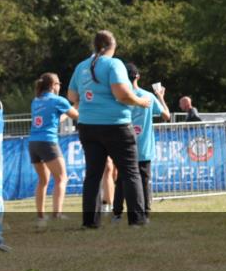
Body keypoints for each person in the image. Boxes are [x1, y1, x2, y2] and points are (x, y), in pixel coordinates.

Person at [67, 30, 152, 228]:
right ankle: (137, 220)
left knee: (93, 175)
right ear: (113, 47)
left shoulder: (81, 66)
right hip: (116, 125)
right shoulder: (115, 64)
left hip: (88, 126)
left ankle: (90, 222)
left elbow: (72, 95)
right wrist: (141, 101)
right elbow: (122, 94)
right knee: (131, 173)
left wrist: (91, 101)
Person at [113, 64, 169, 222]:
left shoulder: (119, 97)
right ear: (137, 76)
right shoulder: (148, 96)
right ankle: (145, 213)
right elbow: (166, 116)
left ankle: (117, 213)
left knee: (122, 180)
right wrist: (160, 96)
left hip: (123, 145)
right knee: (143, 181)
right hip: (144, 147)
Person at [27, 73, 78, 229]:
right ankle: (57, 214)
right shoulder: (58, 100)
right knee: (62, 178)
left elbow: (56, 118)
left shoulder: (36, 100)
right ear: (53, 84)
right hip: (48, 142)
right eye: (59, 83)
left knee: (43, 180)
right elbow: (76, 115)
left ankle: (41, 216)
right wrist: (77, 104)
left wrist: (71, 108)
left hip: (33, 143)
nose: (60, 86)